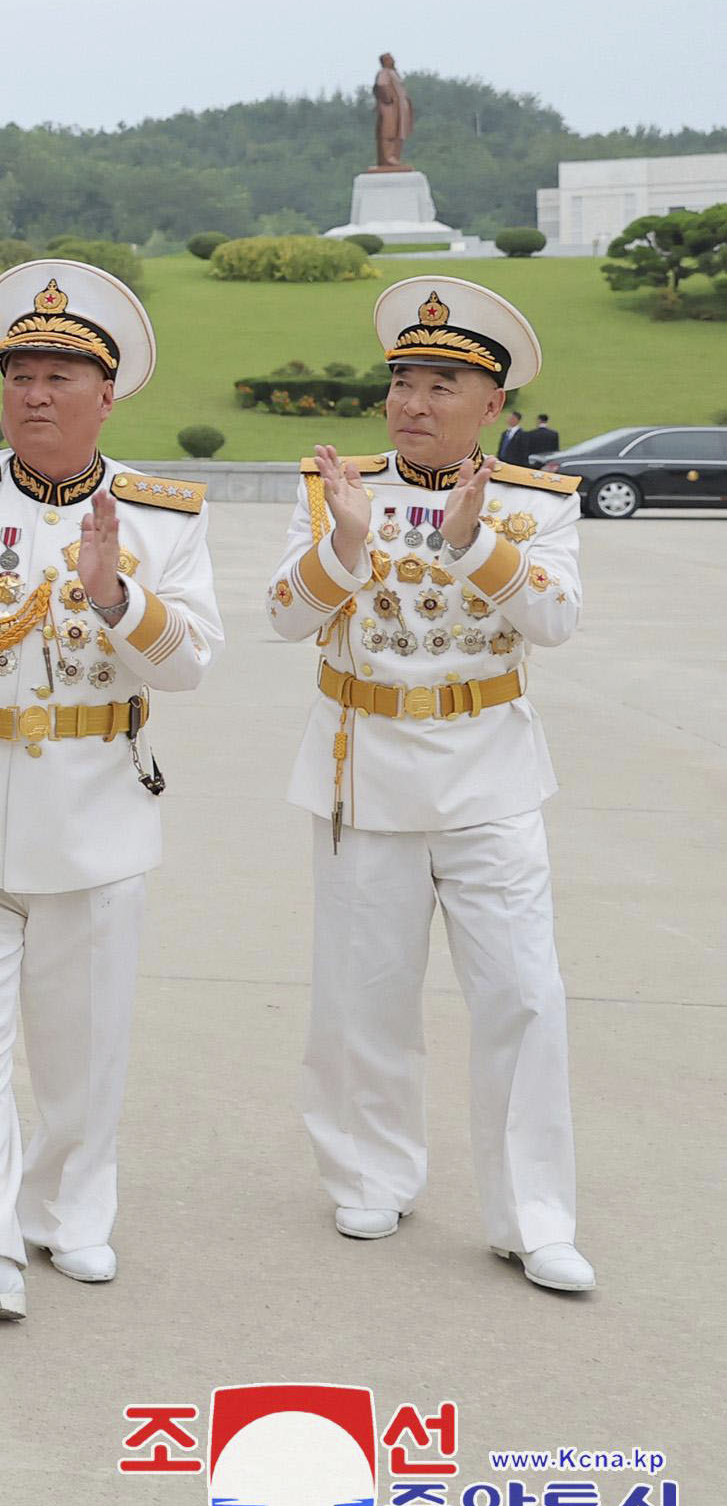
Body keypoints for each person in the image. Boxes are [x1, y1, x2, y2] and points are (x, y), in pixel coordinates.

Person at [0, 260, 219, 1321]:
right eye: (20, 369)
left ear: (107, 394)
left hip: (92, 814)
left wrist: (117, 595)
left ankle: (68, 1209)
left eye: (61, 372)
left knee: (82, 1043)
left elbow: (192, 662)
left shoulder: (163, 516)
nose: (34, 390)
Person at [268, 280, 592, 1293]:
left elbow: (558, 619)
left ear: (490, 404)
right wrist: (349, 540)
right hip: (364, 767)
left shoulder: (536, 504)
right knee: (362, 994)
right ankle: (371, 1170)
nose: (413, 401)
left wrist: (474, 541)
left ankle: (533, 1214)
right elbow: (282, 612)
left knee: (523, 995)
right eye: (402, 380)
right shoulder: (335, 489)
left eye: (440, 383)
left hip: (490, 772)